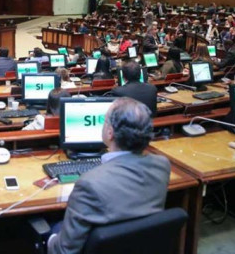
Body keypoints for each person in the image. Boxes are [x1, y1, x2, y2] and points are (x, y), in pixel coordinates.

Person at [47, 97, 171, 254]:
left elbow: (64, 251)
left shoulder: (89, 183)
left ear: (110, 132)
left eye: (103, 121)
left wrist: (49, 239)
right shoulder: (162, 165)